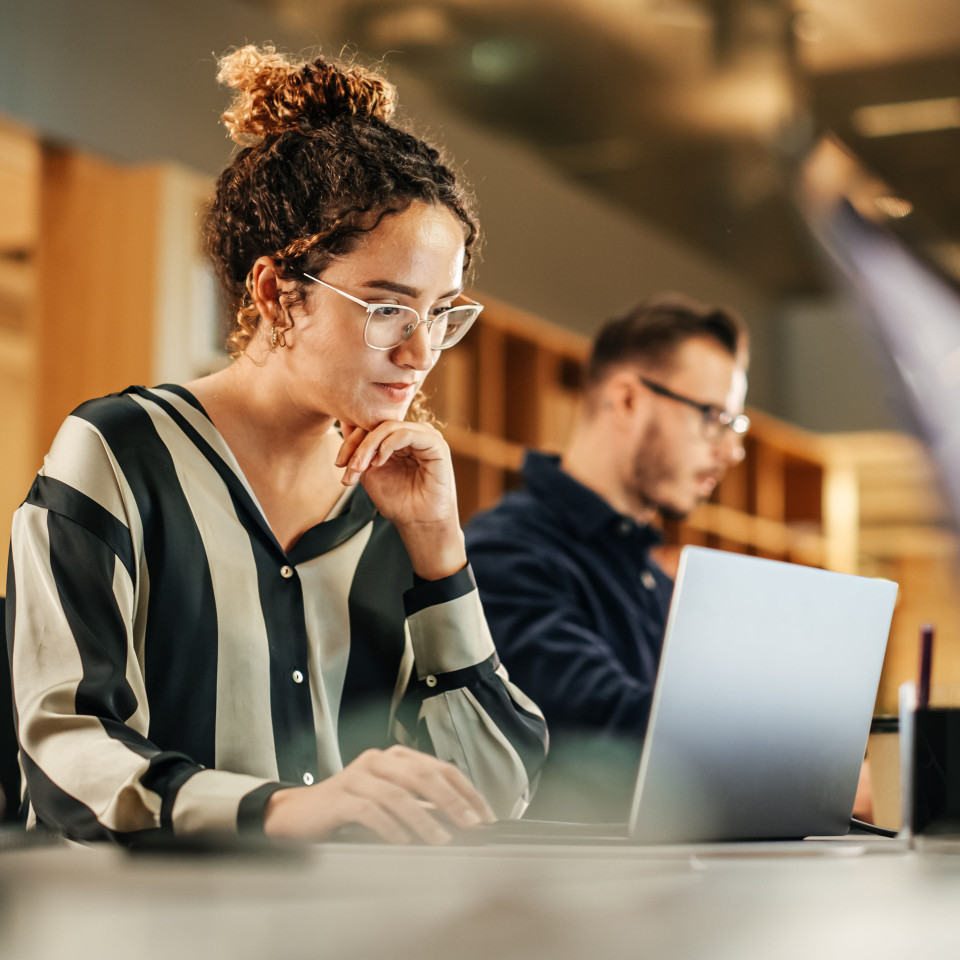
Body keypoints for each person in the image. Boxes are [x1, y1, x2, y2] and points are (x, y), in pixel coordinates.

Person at [5, 45, 546, 845]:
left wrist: (438, 549)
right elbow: (65, 754)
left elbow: (496, 792)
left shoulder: (394, 500)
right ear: (275, 292)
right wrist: (280, 811)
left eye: (442, 314)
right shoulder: (118, 452)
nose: (422, 351)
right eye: (388, 308)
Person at [465, 294, 748, 817]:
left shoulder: (655, 582)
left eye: (734, 427)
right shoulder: (504, 552)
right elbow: (601, 727)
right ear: (627, 401)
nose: (730, 451)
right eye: (714, 417)